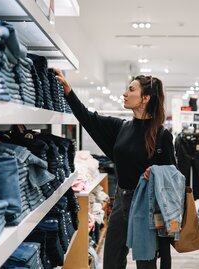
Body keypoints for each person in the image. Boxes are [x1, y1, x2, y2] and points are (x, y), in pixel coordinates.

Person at [55, 68, 176, 269]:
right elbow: (87, 118)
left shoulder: (162, 135)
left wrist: (155, 172)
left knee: (146, 263)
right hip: (121, 200)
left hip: (146, 205)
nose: (125, 94)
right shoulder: (122, 127)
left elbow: (173, 176)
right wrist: (68, 91)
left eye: (131, 90)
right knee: (111, 260)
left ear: (145, 98)